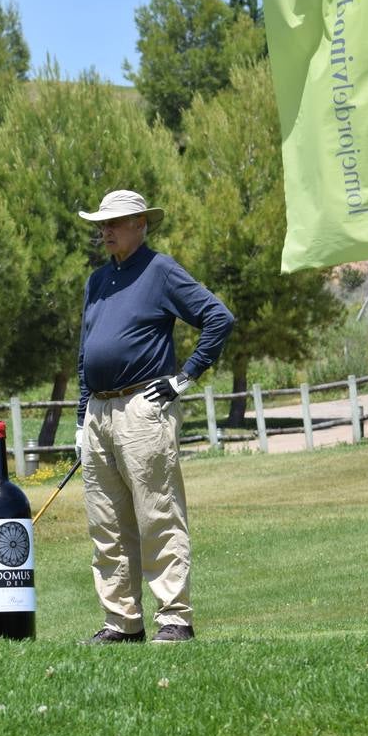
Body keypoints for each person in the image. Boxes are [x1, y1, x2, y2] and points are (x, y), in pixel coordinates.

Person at [74, 189, 234, 644]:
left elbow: (218, 318)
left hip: (142, 408)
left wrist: (183, 379)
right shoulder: (97, 281)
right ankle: (121, 622)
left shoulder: (160, 270)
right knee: (106, 522)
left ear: (141, 224)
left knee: (156, 513)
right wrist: (82, 416)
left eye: (115, 223)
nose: (105, 231)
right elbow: (86, 353)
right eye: (101, 224)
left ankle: (174, 618)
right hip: (100, 412)